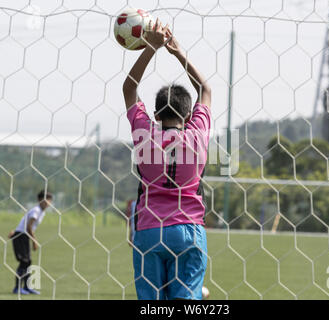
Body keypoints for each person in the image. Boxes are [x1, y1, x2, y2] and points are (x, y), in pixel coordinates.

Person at [123, 19, 211, 300]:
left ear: (156, 115)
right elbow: (206, 91)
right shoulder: (197, 134)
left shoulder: (145, 133)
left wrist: (151, 46)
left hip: (150, 231)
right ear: (188, 117)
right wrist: (176, 51)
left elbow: (128, 88)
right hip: (189, 231)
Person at [8, 190, 53, 295]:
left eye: (50, 201)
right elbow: (28, 226)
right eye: (45, 200)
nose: (48, 203)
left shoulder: (41, 212)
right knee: (24, 261)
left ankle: (27, 287)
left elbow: (25, 223)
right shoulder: (36, 211)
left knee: (28, 262)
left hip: (23, 235)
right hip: (21, 236)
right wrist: (34, 241)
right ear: (39, 200)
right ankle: (17, 288)